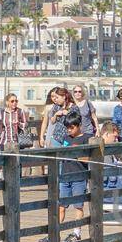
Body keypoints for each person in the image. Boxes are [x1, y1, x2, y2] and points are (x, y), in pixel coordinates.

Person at [40, 85, 88, 224]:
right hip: (58, 138)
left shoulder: (74, 108)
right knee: (60, 165)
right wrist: (56, 114)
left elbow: (76, 121)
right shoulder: (55, 107)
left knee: (72, 163)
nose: (55, 100)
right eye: (53, 97)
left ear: (64, 96)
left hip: (71, 142)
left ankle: (76, 230)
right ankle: (60, 185)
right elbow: (51, 121)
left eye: (57, 97)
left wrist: (66, 114)